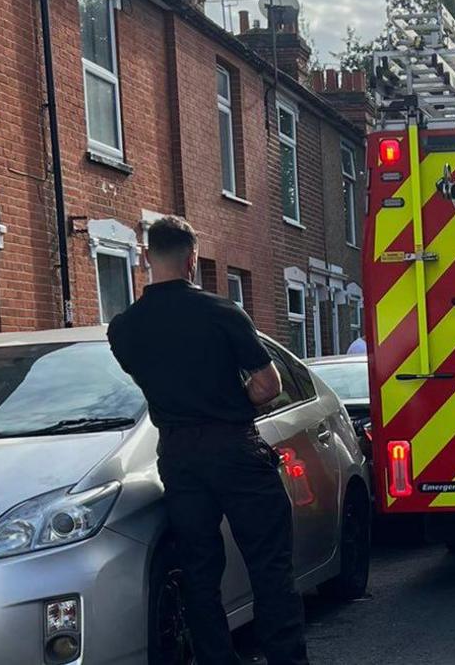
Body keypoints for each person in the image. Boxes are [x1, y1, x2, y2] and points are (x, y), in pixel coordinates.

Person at [108, 216, 308, 665]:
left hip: (178, 456)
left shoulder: (123, 330)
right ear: (192, 260)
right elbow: (267, 384)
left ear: (144, 258)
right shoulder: (222, 312)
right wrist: (226, 401)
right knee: (270, 566)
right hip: (235, 447)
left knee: (199, 573)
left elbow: (149, 378)